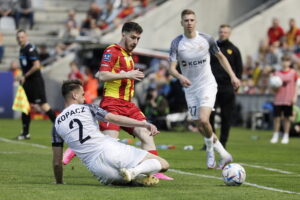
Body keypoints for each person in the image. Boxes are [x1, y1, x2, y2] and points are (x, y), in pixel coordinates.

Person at [63, 22, 173, 180]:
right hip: (112, 103)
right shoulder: (112, 50)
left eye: (138, 39)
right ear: (123, 34)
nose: (135, 41)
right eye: (132, 37)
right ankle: (75, 149)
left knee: (147, 134)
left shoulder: (129, 55)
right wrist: (127, 75)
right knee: (109, 146)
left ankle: (151, 172)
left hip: (128, 104)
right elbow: (102, 75)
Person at [52, 80, 169, 185]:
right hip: (109, 150)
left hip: (98, 169)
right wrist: (144, 124)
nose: (84, 97)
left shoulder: (56, 124)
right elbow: (115, 118)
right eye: (83, 94)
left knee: (134, 183)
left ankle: (135, 174)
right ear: (74, 95)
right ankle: (134, 171)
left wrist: (59, 182)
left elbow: (57, 162)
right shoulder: (88, 108)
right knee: (163, 164)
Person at [168, 9, 240, 169]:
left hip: (207, 85)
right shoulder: (176, 43)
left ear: (196, 22)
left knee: (203, 119)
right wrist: (180, 76)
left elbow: (221, 57)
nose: (189, 23)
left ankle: (209, 151)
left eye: (192, 20)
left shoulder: (207, 39)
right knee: (199, 124)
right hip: (190, 89)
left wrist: (233, 76)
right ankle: (224, 154)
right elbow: (171, 68)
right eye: (186, 20)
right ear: (181, 23)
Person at [16, 29, 56, 140]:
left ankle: (60, 127)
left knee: (43, 105)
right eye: (18, 37)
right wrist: (21, 75)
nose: (20, 39)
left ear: (26, 36)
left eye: (22, 37)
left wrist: (25, 75)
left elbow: (37, 65)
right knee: (25, 106)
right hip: (27, 81)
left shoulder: (30, 49)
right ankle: (25, 132)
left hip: (35, 81)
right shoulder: (22, 49)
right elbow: (26, 66)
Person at [209, 24, 243, 149]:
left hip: (227, 87)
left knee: (226, 115)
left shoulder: (234, 49)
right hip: (211, 86)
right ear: (219, 32)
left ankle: (223, 143)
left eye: (225, 32)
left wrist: (236, 82)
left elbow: (239, 69)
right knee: (209, 115)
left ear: (229, 34)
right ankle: (210, 141)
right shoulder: (212, 47)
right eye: (221, 31)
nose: (223, 33)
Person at [270, 55, 298, 144]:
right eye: (283, 61)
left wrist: (295, 97)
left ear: (289, 62)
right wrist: (274, 87)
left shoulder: (293, 73)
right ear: (281, 62)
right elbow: (272, 87)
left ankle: (286, 136)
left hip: (288, 99)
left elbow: (297, 86)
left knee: (287, 118)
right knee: (277, 118)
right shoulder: (276, 73)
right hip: (278, 99)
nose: (285, 63)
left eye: (287, 61)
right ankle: (275, 135)